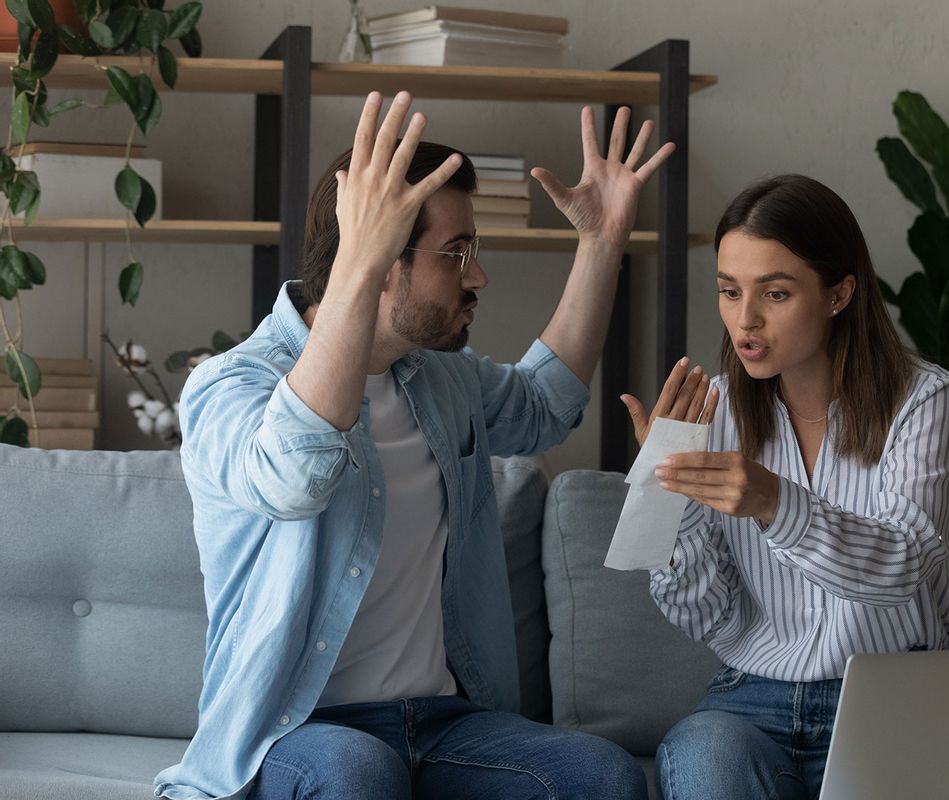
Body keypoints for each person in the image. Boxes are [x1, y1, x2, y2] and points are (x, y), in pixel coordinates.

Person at [155, 91, 672, 800]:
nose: (478, 277)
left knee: (600, 775)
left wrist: (603, 242)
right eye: (456, 253)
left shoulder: (440, 378)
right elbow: (293, 479)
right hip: (297, 733)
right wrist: (357, 266)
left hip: (444, 723)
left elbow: (542, 406)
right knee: (357, 772)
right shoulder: (230, 385)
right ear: (381, 260)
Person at [621, 174, 949, 800]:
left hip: (886, 696)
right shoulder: (713, 411)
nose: (744, 320)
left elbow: (904, 565)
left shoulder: (926, 398)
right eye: (729, 292)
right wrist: (664, 491)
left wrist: (774, 502)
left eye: (774, 294)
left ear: (838, 293)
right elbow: (706, 614)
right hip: (749, 699)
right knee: (701, 757)